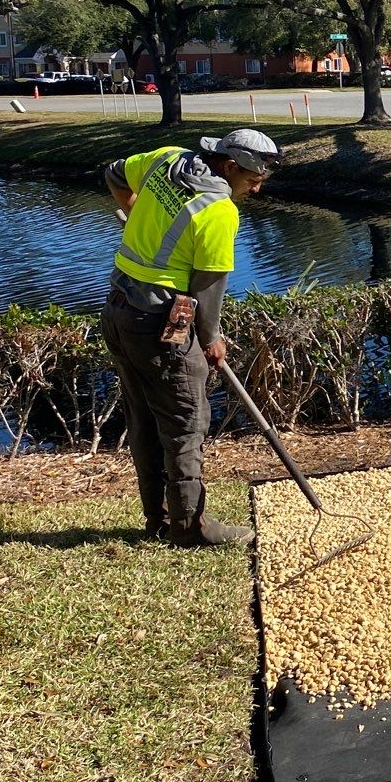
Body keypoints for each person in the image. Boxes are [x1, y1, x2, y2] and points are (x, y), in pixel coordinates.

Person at [101, 128, 282, 547]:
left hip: (119, 308)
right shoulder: (218, 211)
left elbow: (114, 173)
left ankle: (158, 518)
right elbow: (208, 287)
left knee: (144, 417)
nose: (255, 189)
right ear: (230, 166)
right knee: (186, 421)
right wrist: (212, 338)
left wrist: (133, 216)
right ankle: (188, 526)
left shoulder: (168, 159)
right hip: (160, 324)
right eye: (252, 180)